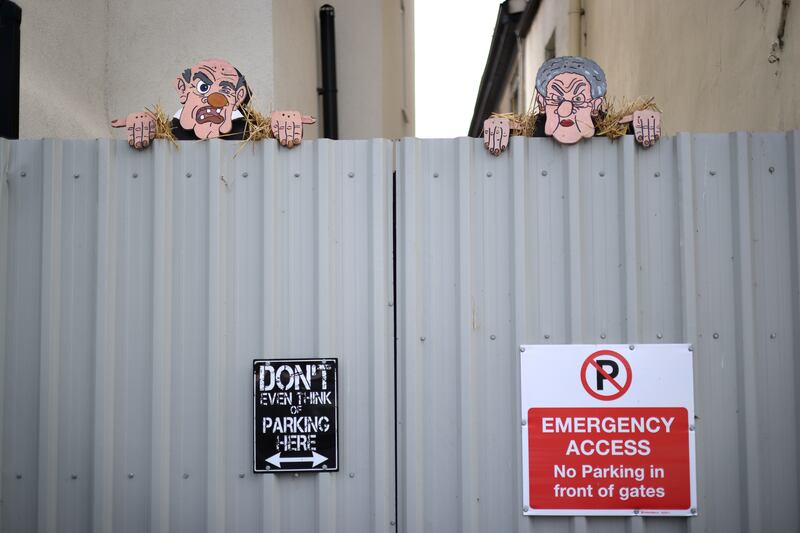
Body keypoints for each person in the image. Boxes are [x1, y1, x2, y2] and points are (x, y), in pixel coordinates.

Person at [111, 58, 314, 149]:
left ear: (238, 96)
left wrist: (275, 129)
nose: (215, 99)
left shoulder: (250, 133)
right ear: (183, 89)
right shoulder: (167, 132)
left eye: (226, 90)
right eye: (203, 87)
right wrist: (149, 128)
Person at [484, 56, 661, 155]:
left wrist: (643, 118)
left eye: (578, 99)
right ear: (542, 103)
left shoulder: (616, 129)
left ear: (595, 104)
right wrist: (494, 128)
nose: (565, 109)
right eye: (556, 98)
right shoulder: (524, 133)